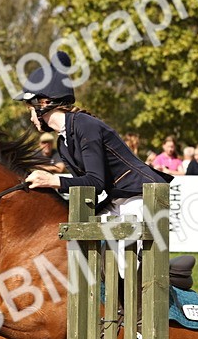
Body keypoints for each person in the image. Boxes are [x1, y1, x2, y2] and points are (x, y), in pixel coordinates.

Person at [20, 51, 170, 280]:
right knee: (73, 237)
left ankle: (142, 295)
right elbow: (85, 187)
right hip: (115, 199)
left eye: (30, 110)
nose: (30, 118)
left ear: (44, 103)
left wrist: (52, 180)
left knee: (124, 266)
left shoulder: (84, 125)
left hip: (140, 195)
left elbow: (95, 182)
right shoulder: (63, 142)